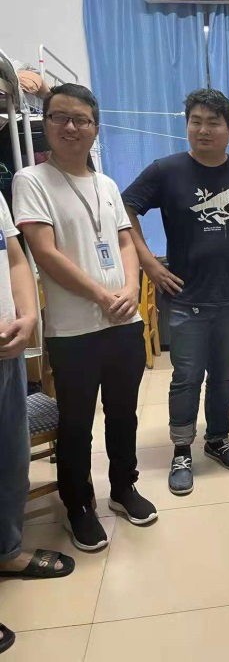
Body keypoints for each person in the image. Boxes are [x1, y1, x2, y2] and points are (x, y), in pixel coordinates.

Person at [13, 84, 157, 553]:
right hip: (74, 330)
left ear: (96, 128)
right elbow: (44, 252)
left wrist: (130, 290)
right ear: (46, 123)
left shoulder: (107, 184)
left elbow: (125, 242)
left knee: (124, 414)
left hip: (124, 323)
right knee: (76, 422)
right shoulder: (31, 181)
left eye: (82, 119)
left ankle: (124, 487)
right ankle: (78, 505)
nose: (71, 127)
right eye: (60, 117)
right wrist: (100, 294)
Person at [122, 89, 229, 495]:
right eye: (196, 121)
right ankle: (181, 449)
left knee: (224, 376)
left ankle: (218, 439)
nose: (203, 129)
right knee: (186, 377)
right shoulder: (166, 170)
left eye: (213, 122)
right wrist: (149, 263)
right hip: (185, 296)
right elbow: (125, 209)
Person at [0, 191, 75, 653]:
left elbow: (13, 257)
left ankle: (6, 551)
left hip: (6, 351)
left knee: (11, 462)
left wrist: (27, 317)